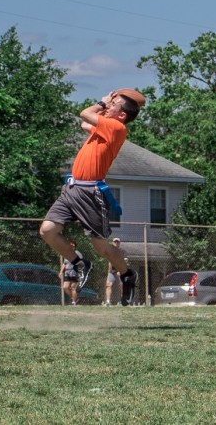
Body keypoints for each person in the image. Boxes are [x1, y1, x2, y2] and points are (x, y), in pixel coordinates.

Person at [39, 88, 145, 307]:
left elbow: (85, 114)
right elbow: (85, 124)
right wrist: (109, 105)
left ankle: (127, 275)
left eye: (113, 105)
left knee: (101, 247)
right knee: (47, 230)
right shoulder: (105, 129)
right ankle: (79, 262)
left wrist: (101, 102)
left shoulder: (116, 128)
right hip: (71, 189)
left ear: (122, 115)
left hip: (90, 192)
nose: (108, 106)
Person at [59, 239, 85, 306]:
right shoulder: (67, 253)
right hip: (67, 272)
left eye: (73, 245)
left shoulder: (77, 253)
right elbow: (64, 263)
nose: (71, 246)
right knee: (65, 287)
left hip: (74, 272)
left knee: (73, 287)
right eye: (70, 245)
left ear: (75, 246)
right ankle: (73, 298)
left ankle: (74, 302)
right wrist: (61, 272)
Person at [104, 237, 122, 305]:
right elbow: (110, 262)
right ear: (113, 243)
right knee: (108, 285)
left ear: (119, 243)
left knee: (120, 286)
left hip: (119, 271)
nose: (116, 243)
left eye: (117, 242)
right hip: (112, 272)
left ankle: (120, 301)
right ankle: (108, 301)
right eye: (115, 242)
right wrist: (109, 272)